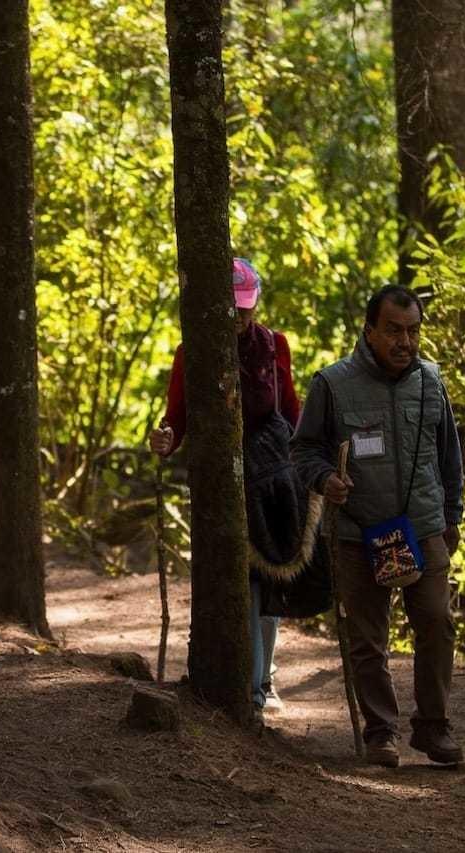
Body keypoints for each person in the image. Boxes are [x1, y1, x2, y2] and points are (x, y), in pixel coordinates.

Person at [291, 285, 464, 767]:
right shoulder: (332, 384)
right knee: (368, 638)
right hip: (356, 533)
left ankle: (433, 726)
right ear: (370, 331)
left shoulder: (431, 382)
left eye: (412, 331)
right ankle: (381, 731)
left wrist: (453, 517)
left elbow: (450, 456)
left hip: (424, 526)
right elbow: (303, 449)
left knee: (436, 621)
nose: (404, 342)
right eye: (393, 331)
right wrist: (326, 480)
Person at [149, 257, 307, 722]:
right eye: (230, 309)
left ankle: (264, 679)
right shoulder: (191, 352)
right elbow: (176, 418)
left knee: (271, 582)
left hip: (272, 481)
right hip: (222, 486)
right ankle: (252, 694)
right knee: (245, 586)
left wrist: (306, 465)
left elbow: (291, 409)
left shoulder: (275, 346)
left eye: (244, 308)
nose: (238, 318)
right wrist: (165, 440)